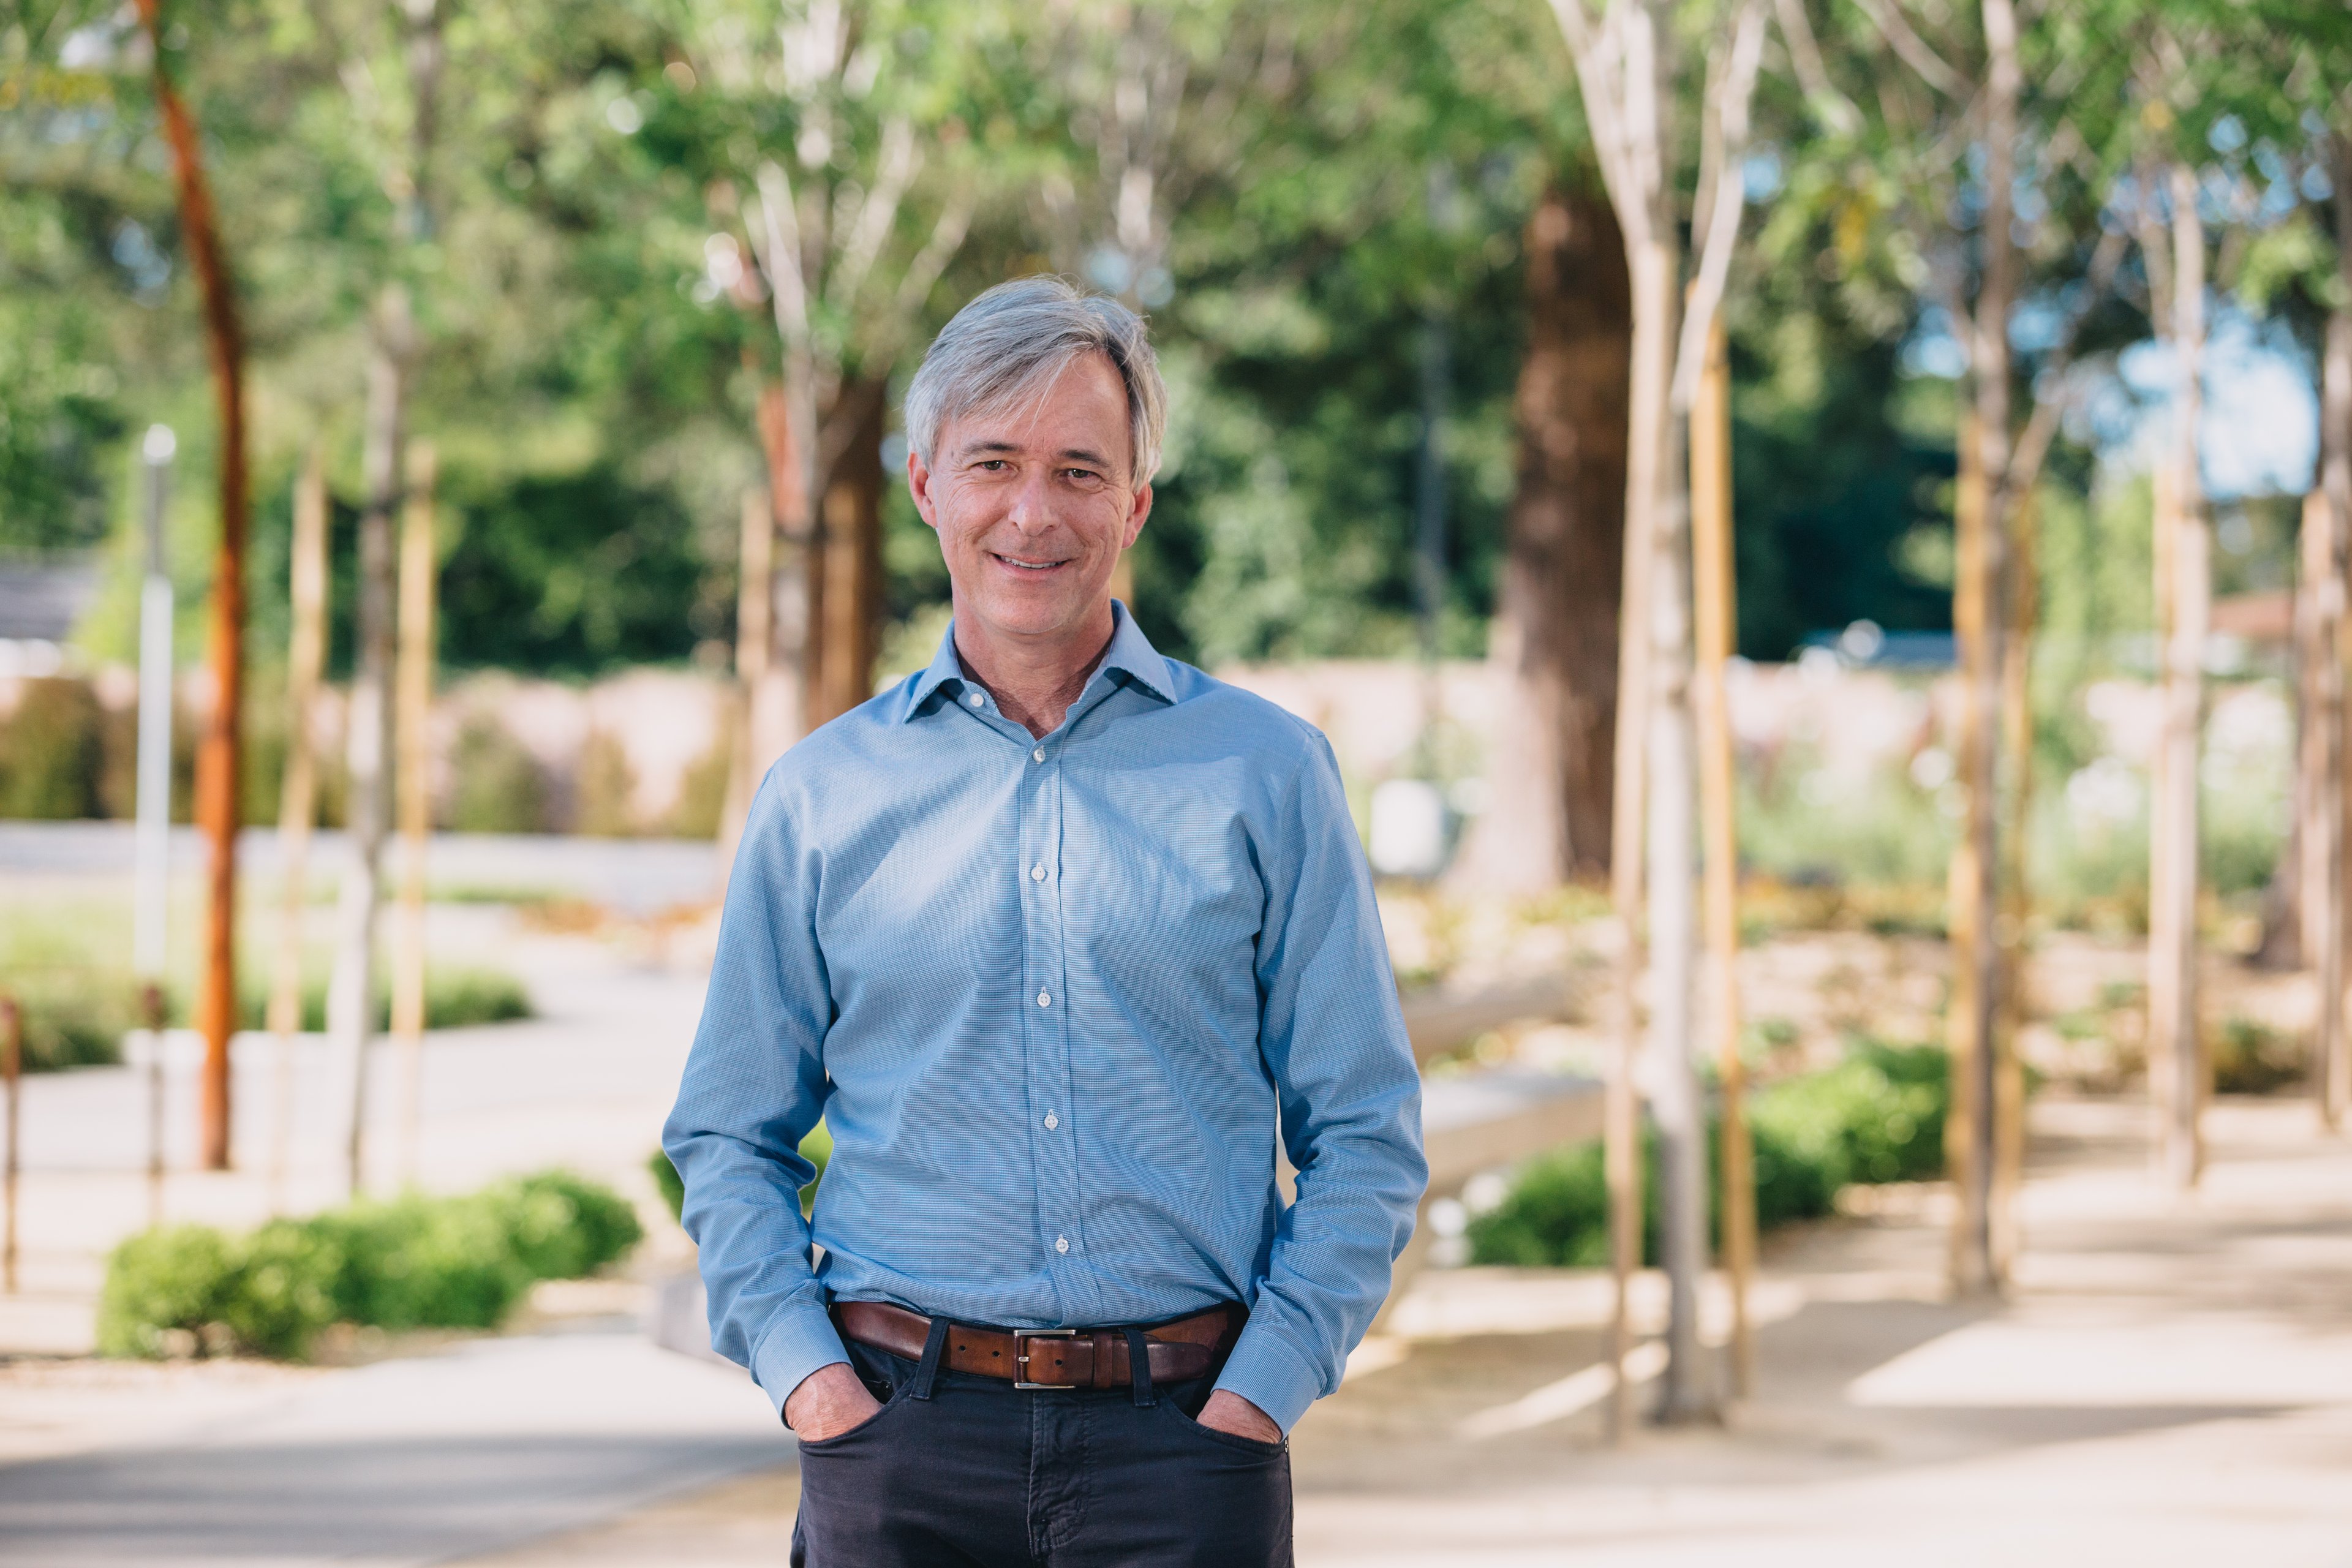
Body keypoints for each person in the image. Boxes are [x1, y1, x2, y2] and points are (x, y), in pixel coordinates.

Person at [664, 275, 1426, 1567]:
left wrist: (1263, 1389)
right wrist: (816, 1388)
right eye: (994, 463)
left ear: (1134, 503)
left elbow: (1362, 1128)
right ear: (925, 486)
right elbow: (728, 1133)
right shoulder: (822, 797)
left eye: (1080, 470)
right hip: (896, 1447)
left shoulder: (1267, 773)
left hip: (1187, 1453)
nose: (1033, 510)